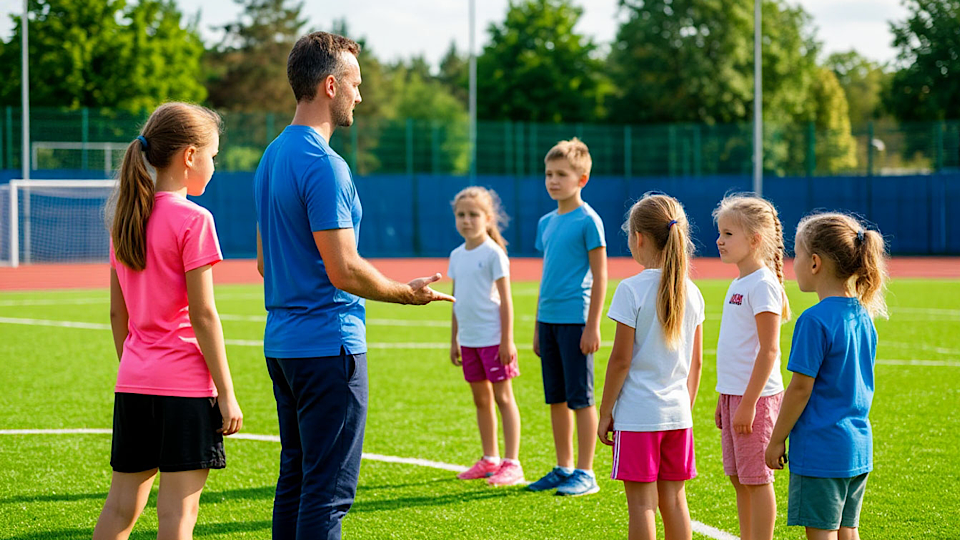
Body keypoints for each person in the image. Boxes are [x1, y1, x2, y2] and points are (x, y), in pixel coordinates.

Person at [253, 32, 453, 540]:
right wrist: (406, 293)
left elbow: (261, 261)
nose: (359, 96)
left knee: (296, 482)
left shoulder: (271, 157)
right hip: (328, 347)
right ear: (329, 85)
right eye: (355, 85)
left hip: (282, 347)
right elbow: (344, 269)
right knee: (327, 496)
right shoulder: (325, 165)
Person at [94, 102, 243, 540]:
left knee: (120, 507)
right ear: (190, 156)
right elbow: (203, 314)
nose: (214, 165)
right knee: (178, 516)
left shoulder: (125, 220)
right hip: (185, 387)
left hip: (134, 382)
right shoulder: (195, 220)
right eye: (213, 156)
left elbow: (117, 313)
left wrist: (137, 364)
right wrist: (228, 394)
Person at [766, 213, 888, 540]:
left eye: (797, 254)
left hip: (820, 450)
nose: (793, 263)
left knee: (822, 534)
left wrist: (777, 438)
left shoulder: (814, 320)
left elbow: (800, 389)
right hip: (857, 447)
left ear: (815, 263)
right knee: (848, 531)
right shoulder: (863, 314)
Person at [598, 193, 705, 540]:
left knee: (642, 505)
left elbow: (620, 360)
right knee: (674, 501)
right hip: (677, 415)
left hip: (638, 415)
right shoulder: (693, 291)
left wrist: (604, 411)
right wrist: (683, 410)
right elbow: (697, 362)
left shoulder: (630, 289)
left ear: (638, 238)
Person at [528, 137, 607, 497]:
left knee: (581, 398)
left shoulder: (589, 220)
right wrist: (535, 326)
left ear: (582, 179)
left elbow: (601, 275)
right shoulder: (545, 222)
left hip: (576, 321)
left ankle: (586, 472)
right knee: (556, 398)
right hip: (548, 321)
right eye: (548, 174)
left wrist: (593, 325)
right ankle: (563, 467)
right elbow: (546, 276)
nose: (553, 181)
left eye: (561, 174)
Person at [712, 194, 791, 540]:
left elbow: (769, 351)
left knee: (757, 479)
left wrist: (746, 403)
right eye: (720, 233)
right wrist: (725, 398)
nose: (719, 240)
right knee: (738, 477)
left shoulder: (762, 285)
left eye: (729, 234)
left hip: (755, 401)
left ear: (755, 239)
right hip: (735, 398)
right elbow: (736, 351)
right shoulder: (738, 283)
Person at [448, 186, 524, 486]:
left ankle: (512, 462)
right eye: (461, 215)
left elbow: (506, 300)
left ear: (488, 218)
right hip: (469, 340)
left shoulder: (494, 254)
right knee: (481, 400)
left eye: (473, 215)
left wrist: (507, 340)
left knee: (503, 398)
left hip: (493, 339)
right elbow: (456, 300)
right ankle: (490, 458)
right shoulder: (456, 255)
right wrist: (454, 338)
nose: (467, 220)